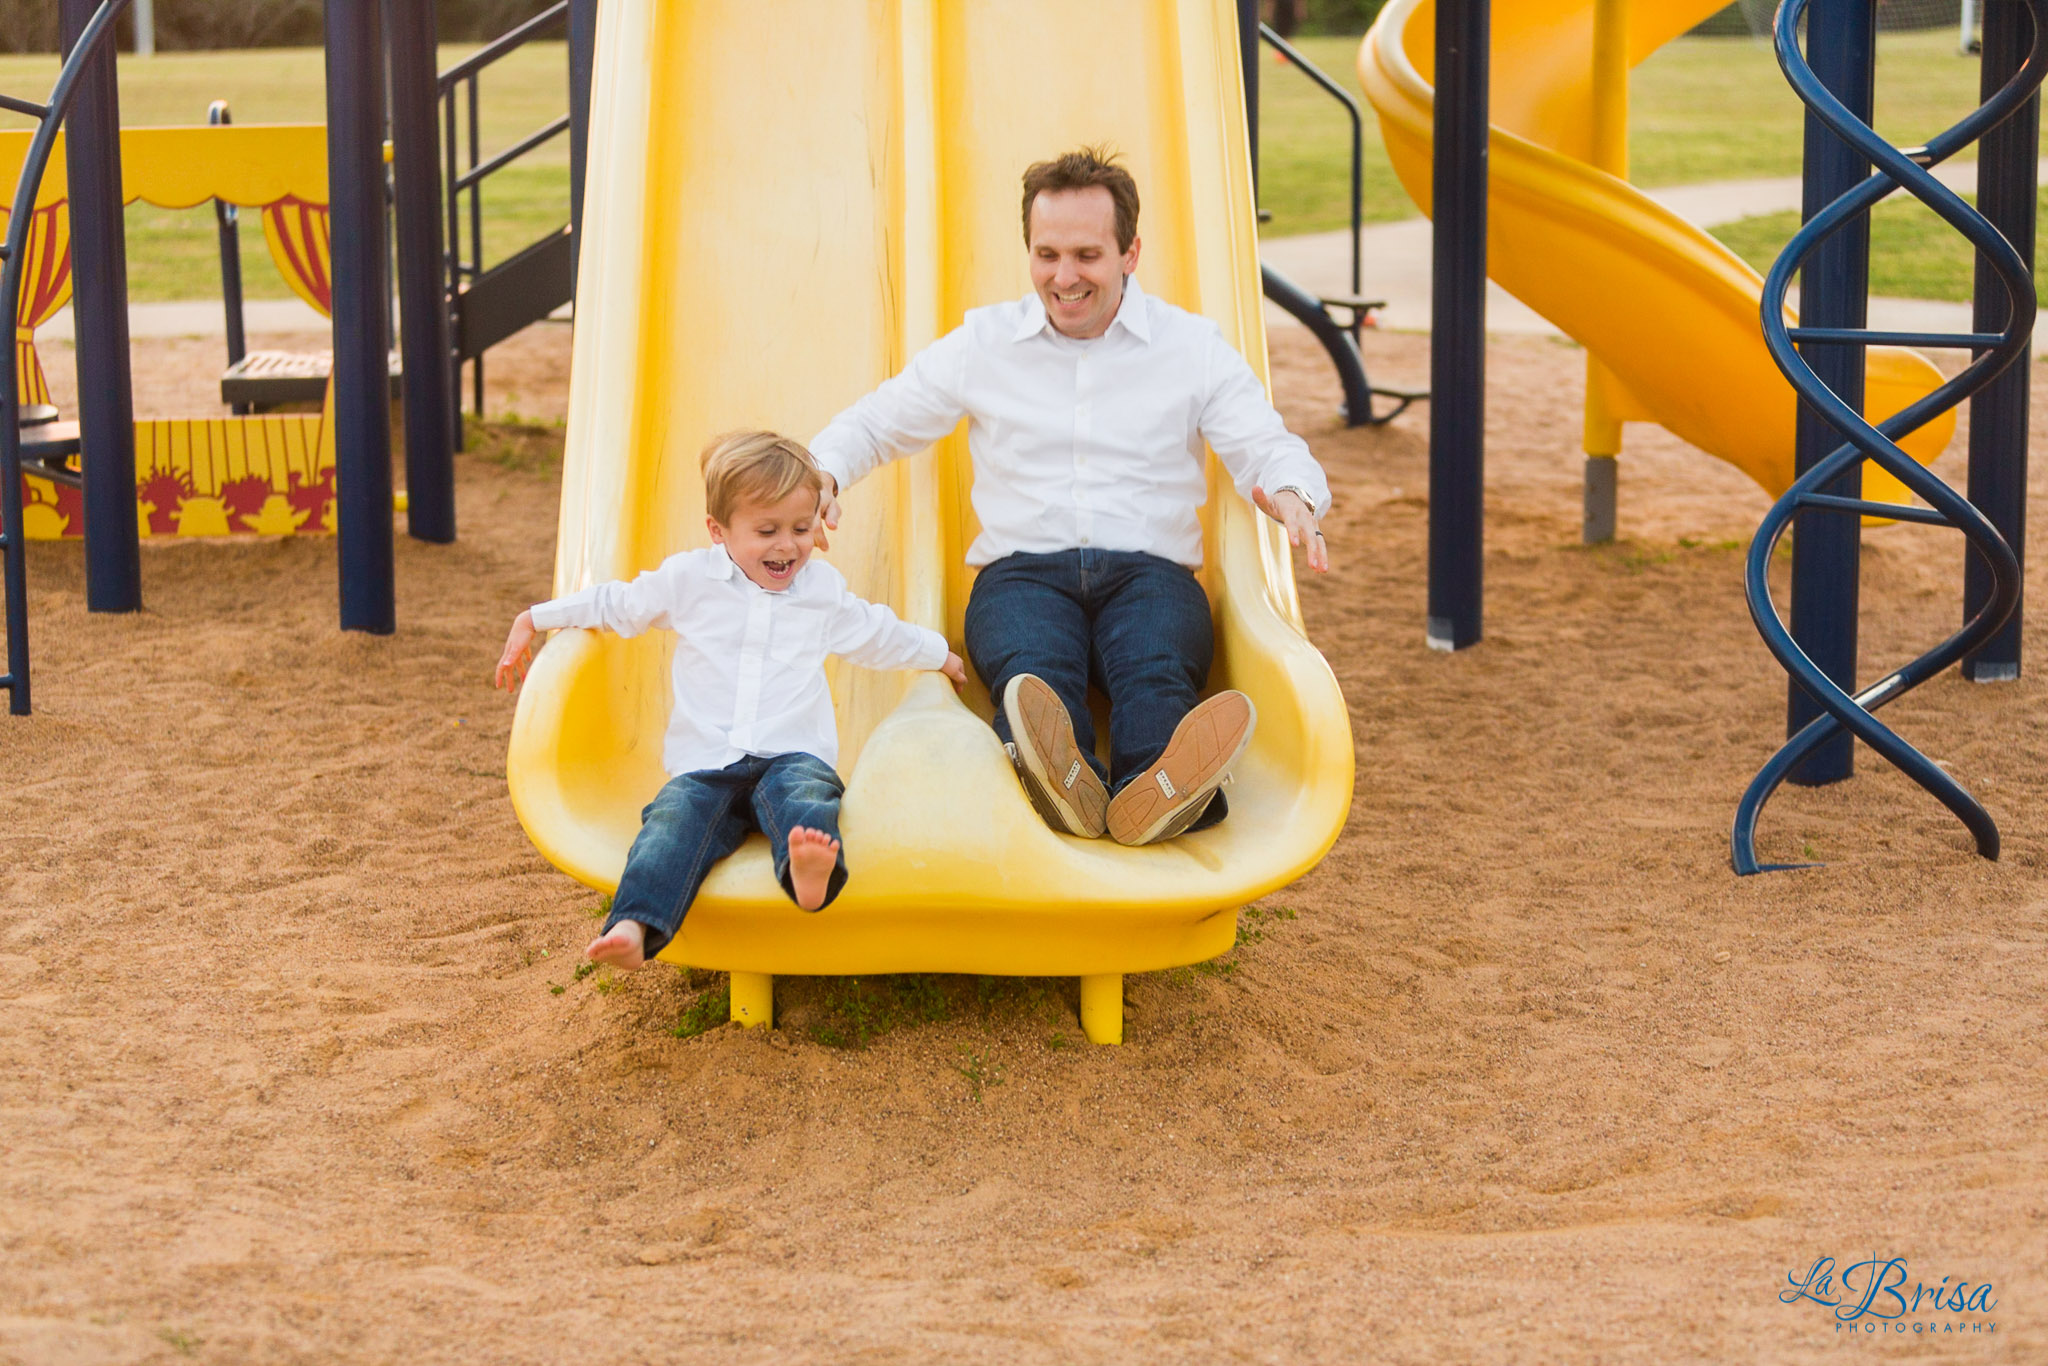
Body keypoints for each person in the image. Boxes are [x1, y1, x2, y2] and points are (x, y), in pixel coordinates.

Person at [808, 146, 1332, 847]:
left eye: (1087, 254)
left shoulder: (1189, 347)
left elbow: (1263, 441)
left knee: (1155, 669)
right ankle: (1065, 780)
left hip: (1150, 572)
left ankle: (1160, 786)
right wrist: (821, 473)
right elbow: (879, 421)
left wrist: (1295, 492)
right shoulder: (984, 342)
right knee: (1034, 674)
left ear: (1130, 253)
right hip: (1023, 571)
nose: (1064, 276)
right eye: (1046, 254)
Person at [494, 430, 966, 969]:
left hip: (791, 752)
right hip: (706, 762)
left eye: (801, 527)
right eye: (766, 531)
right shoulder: (689, 581)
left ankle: (809, 875)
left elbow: (876, 633)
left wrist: (937, 654)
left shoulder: (821, 591)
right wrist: (538, 616)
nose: (787, 546)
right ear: (718, 532)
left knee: (809, 799)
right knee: (671, 823)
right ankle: (635, 925)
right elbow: (619, 605)